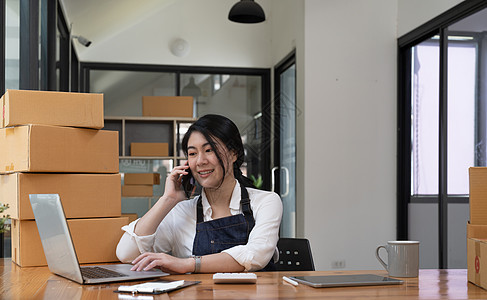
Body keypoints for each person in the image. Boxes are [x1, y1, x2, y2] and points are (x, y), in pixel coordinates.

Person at [116, 114, 283, 274]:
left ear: (234, 153)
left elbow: (256, 255)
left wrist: (187, 264)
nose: (200, 161)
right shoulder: (182, 212)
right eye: (192, 153)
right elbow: (126, 254)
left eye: (209, 150)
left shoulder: (265, 202)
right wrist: (167, 200)